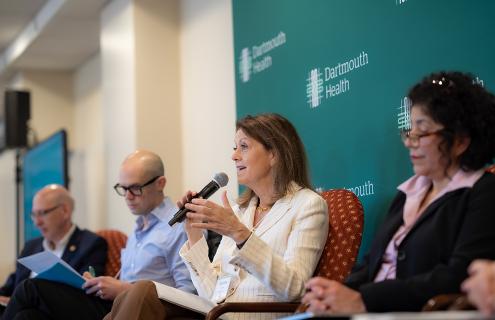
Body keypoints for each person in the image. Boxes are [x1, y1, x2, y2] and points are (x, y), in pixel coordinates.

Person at [302, 71, 495, 314]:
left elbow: (459, 275)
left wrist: (364, 300)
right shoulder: (409, 192)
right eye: (409, 130)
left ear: (460, 141)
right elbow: (371, 265)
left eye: (422, 132)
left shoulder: (483, 193)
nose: (409, 141)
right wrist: (331, 294)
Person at [104, 113, 329, 320]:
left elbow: (295, 288)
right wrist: (192, 232)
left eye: (244, 147)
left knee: (142, 291)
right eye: (234, 147)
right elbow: (212, 291)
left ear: (274, 154)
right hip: (216, 312)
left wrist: (238, 233)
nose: (234, 156)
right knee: (132, 295)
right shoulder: (241, 211)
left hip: (249, 315)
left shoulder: (308, 206)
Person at [3, 150, 195, 320]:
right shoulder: (139, 228)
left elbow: (189, 295)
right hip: (115, 305)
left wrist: (123, 289)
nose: (128, 197)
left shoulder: (178, 225)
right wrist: (101, 283)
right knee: (27, 315)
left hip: (138, 308)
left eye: (135, 188)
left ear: (160, 183)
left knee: (31, 288)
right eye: (123, 188)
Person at [0, 184, 107, 314]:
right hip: (21, 312)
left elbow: (85, 293)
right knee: (26, 315)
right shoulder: (31, 246)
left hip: (59, 313)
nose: (37, 222)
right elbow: (10, 286)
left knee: (30, 287)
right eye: (34, 215)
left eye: (43, 213)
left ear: (65, 211)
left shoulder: (91, 244)